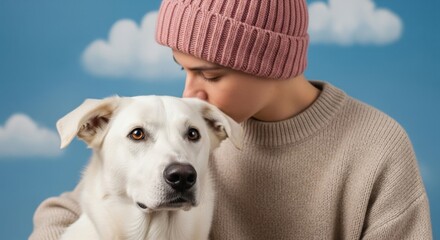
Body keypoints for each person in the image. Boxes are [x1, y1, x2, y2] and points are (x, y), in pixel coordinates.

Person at [30, 0, 433, 239]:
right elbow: (69, 210)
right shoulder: (184, 134)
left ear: (271, 63)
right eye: (182, 69)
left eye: (210, 75)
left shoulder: (377, 147)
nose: (190, 93)